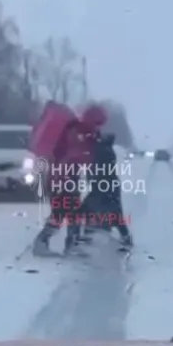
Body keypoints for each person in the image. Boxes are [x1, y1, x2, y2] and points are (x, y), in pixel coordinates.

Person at [32, 104, 106, 255]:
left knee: (71, 212)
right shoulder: (76, 133)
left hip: (67, 178)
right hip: (62, 178)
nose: (99, 127)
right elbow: (76, 156)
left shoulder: (83, 132)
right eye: (98, 123)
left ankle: (68, 244)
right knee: (63, 212)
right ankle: (44, 242)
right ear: (92, 120)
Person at [77, 132, 133, 248]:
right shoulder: (105, 149)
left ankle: (88, 233)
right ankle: (125, 236)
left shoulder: (100, 150)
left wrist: (92, 178)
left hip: (103, 185)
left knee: (88, 208)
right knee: (114, 212)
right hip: (107, 185)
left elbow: (96, 169)